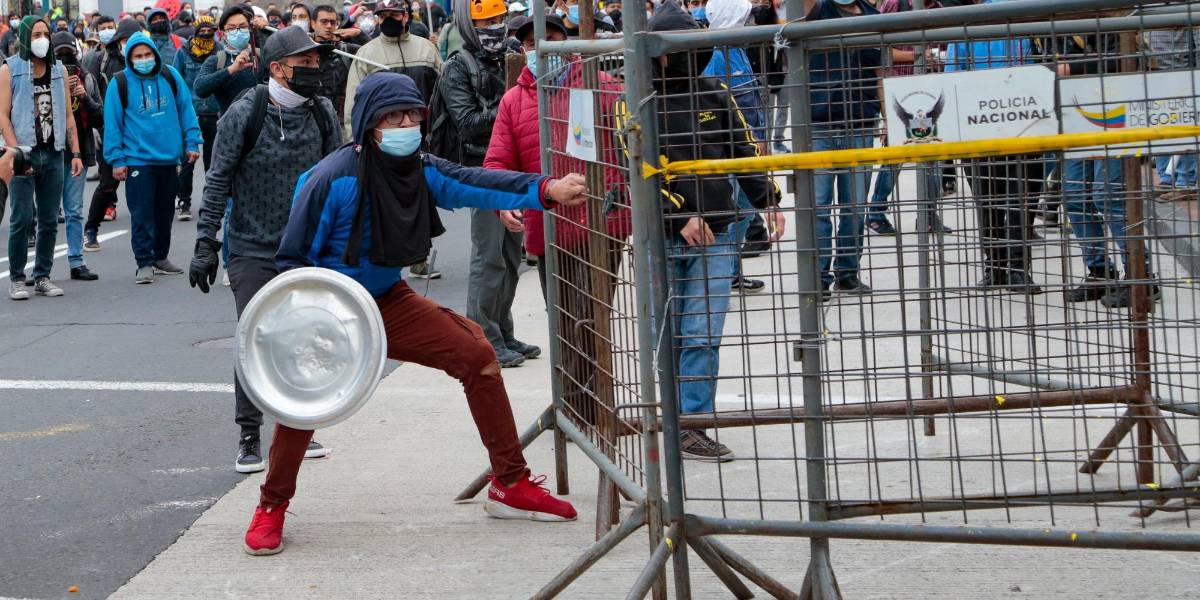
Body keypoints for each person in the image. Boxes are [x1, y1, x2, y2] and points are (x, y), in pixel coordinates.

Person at [243, 71, 585, 555]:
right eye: (392, 117)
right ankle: (272, 505)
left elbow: (476, 182)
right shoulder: (330, 179)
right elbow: (292, 262)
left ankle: (510, 483)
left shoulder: (421, 169)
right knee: (304, 404)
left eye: (412, 115)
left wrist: (545, 189)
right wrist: (304, 333)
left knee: (477, 355)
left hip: (388, 300)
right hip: (328, 313)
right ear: (369, 123)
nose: (406, 125)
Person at [190, 25, 340, 474]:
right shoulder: (245, 112)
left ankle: (297, 428)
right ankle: (249, 435)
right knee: (254, 340)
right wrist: (206, 241)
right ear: (277, 68)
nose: (314, 68)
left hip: (306, 250)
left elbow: (339, 179)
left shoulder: (322, 112)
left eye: (316, 61)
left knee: (303, 338)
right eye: (304, 62)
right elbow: (217, 179)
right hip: (252, 248)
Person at [636, 1, 781, 461]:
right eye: (670, 48)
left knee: (701, 333)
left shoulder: (714, 91)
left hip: (718, 234)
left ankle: (692, 424)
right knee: (666, 333)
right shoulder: (635, 98)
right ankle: (669, 416)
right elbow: (633, 166)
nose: (678, 56)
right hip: (660, 236)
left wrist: (768, 200)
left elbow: (743, 150)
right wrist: (678, 216)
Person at [442, 0, 530, 366]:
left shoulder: (512, 54)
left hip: (514, 167)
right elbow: (466, 122)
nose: (495, 26)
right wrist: (509, 104)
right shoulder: (457, 67)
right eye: (486, 21)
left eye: (499, 18)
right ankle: (483, 339)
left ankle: (503, 331)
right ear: (469, 25)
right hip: (480, 170)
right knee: (488, 256)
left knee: (511, 257)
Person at [946, 5, 1043, 294]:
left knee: (995, 201)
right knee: (1013, 200)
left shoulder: (968, 22)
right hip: (1004, 124)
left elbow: (952, 77)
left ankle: (1002, 267)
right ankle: (1008, 268)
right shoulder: (1020, 18)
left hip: (1007, 124)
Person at [343, 0, 442, 278]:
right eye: (383, 15)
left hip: (421, 137)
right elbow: (354, 103)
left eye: (394, 14)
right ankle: (389, 261)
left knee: (422, 197)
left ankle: (419, 256)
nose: (388, 19)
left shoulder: (426, 49)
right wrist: (355, 140)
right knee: (388, 202)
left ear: (406, 16)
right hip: (383, 142)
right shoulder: (366, 54)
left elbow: (443, 90)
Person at [102, 30, 202, 284]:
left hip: (169, 159)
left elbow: (186, 109)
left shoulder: (170, 75)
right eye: (138, 56)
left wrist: (192, 141)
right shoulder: (119, 83)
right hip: (138, 160)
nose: (144, 59)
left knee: (164, 213)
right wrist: (116, 159)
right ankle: (144, 262)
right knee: (142, 214)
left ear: (155, 54)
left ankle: (160, 257)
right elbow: (112, 124)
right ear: (129, 58)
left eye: (148, 54)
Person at [0, 16, 84, 300]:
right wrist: (17, 153)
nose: (42, 39)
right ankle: (17, 279)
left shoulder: (58, 70)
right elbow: (2, 115)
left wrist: (75, 152)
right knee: (22, 219)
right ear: (25, 37)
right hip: (23, 153)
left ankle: (43, 276)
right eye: (36, 34)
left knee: (49, 220)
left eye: (45, 34)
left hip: (53, 152)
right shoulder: (10, 69)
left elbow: (69, 116)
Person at [804, 0, 880, 299]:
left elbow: (879, 72)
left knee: (855, 206)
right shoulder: (818, 9)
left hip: (860, 124)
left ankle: (847, 273)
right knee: (818, 206)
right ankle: (818, 276)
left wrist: (887, 117)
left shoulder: (872, 16)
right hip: (819, 124)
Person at [82, 17, 141, 251]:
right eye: (125, 40)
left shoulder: (148, 62)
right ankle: (91, 229)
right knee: (108, 184)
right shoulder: (102, 60)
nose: (130, 44)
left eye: (134, 39)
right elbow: (91, 92)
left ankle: (149, 245)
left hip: (141, 134)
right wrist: (96, 126)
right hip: (111, 129)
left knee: (145, 187)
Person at [52, 31, 102, 282]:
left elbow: (99, 117)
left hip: (77, 153)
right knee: (48, 214)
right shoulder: (43, 78)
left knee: (73, 210)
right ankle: (42, 267)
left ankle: (76, 261)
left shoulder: (88, 78)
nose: (65, 60)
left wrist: (84, 97)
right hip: (50, 152)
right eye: (59, 55)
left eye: (69, 54)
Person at [172, 14, 219, 221]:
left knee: (212, 160)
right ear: (196, 32)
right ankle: (184, 201)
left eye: (210, 31)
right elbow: (176, 82)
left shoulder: (220, 51)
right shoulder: (183, 52)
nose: (206, 34)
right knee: (188, 160)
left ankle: (211, 201)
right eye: (203, 31)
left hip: (215, 112)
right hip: (190, 113)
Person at [194, 6, 261, 115]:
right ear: (223, 33)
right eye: (231, 28)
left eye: (243, 27)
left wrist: (266, 29)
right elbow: (199, 89)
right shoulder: (217, 60)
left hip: (262, 122)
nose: (238, 31)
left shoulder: (261, 55)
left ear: (249, 29)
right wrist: (231, 69)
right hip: (229, 123)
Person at [311, 3, 360, 123]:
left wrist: (359, 33)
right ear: (313, 24)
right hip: (311, 117)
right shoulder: (303, 50)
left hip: (339, 120)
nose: (329, 26)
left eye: (333, 23)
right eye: (324, 22)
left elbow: (374, 53)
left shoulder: (345, 50)